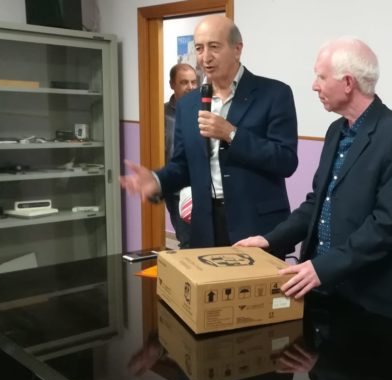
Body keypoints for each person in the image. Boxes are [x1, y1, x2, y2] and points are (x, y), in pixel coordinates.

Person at [235, 37, 392, 322]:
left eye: (321, 77)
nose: (314, 86)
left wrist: (323, 268)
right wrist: (269, 240)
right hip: (323, 289)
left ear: (348, 83)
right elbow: (317, 203)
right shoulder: (336, 130)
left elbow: (387, 224)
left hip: (371, 300)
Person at [121, 16, 298, 249]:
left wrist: (231, 134)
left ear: (237, 49)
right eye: (199, 48)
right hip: (206, 226)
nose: (205, 57)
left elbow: (286, 161)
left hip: (257, 225)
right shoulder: (188, 104)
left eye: (214, 47)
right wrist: (157, 180)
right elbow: (183, 165)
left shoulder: (274, 94)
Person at [163, 63, 198, 248]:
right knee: (186, 240)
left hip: (201, 187)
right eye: (184, 82)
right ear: (172, 84)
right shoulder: (160, 114)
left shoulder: (204, 111)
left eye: (193, 82)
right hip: (175, 190)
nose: (190, 87)